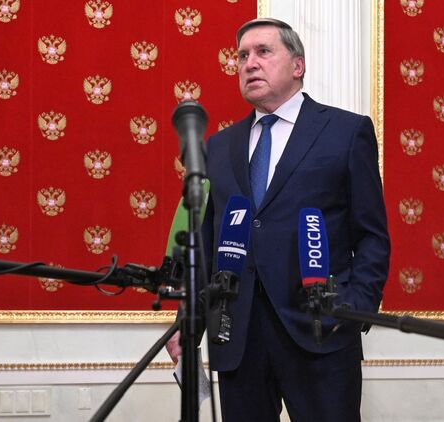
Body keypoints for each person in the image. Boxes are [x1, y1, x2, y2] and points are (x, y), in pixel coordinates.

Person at [167, 17, 390, 421]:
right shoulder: (219, 147)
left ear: (297, 65)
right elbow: (207, 241)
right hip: (238, 338)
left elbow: (371, 234)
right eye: (242, 56)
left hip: (320, 334)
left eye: (263, 52)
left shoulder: (345, 131)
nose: (249, 63)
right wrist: (189, 322)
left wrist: (356, 308)